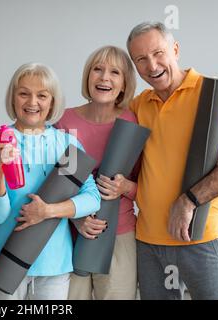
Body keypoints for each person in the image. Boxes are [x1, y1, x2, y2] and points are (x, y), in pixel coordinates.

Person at [126, 21, 218, 300]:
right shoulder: (138, 104)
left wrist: (189, 200)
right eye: (141, 59)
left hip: (202, 237)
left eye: (158, 53)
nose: (152, 65)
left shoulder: (214, 96)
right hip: (149, 242)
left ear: (176, 49)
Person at [0, 62, 101, 300]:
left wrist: (49, 211)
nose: (32, 102)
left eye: (42, 95)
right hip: (2, 261)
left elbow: (92, 198)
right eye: (24, 93)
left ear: (52, 101)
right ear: (13, 98)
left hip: (53, 264)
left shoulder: (66, 144)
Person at [55, 46, 139, 300]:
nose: (104, 78)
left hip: (119, 234)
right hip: (68, 235)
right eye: (98, 69)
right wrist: (75, 219)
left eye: (115, 72)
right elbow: (53, 185)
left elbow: (144, 186)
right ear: (87, 76)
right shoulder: (64, 122)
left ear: (124, 84)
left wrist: (124, 187)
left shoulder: (133, 123)